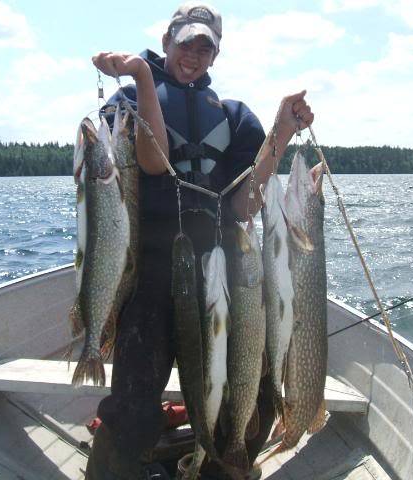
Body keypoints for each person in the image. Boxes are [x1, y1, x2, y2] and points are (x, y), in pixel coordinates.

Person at [86, 3, 316, 479]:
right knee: (130, 406)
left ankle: (222, 467)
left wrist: (282, 130)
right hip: (150, 274)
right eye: (185, 42)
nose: (193, 53)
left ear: (216, 55)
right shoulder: (126, 102)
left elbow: (243, 205)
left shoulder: (234, 117)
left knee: (249, 397)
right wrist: (143, 79)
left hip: (221, 276)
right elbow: (152, 162)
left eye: (204, 47)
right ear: (166, 41)